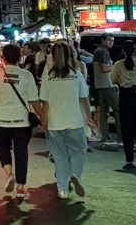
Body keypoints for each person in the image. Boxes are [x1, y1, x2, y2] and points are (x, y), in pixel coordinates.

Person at [34, 41, 91, 200]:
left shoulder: (48, 76)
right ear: (69, 55)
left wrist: (44, 120)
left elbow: (44, 102)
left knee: (59, 157)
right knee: (79, 151)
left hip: (54, 122)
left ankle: (62, 189)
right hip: (74, 121)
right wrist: (89, 117)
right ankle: (75, 175)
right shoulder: (77, 75)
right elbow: (84, 99)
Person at [0, 43, 40, 200]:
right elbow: (34, 101)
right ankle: (21, 187)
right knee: (21, 153)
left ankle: (9, 174)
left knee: (3, 148)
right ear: (19, 56)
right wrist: (43, 117)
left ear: (3, 57)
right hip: (22, 122)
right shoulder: (26, 75)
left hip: (2, 121)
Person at [112, 22, 136, 167]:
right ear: (135, 51)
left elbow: (113, 80)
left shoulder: (118, 65)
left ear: (123, 51)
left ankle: (129, 158)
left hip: (125, 97)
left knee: (127, 129)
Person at [93, 34, 121, 146]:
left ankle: (105, 136)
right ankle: (121, 137)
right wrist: (116, 67)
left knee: (103, 113)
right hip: (108, 85)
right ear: (103, 40)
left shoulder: (97, 51)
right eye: (109, 40)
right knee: (117, 111)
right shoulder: (103, 52)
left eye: (112, 40)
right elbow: (104, 68)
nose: (111, 42)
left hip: (100, 86)